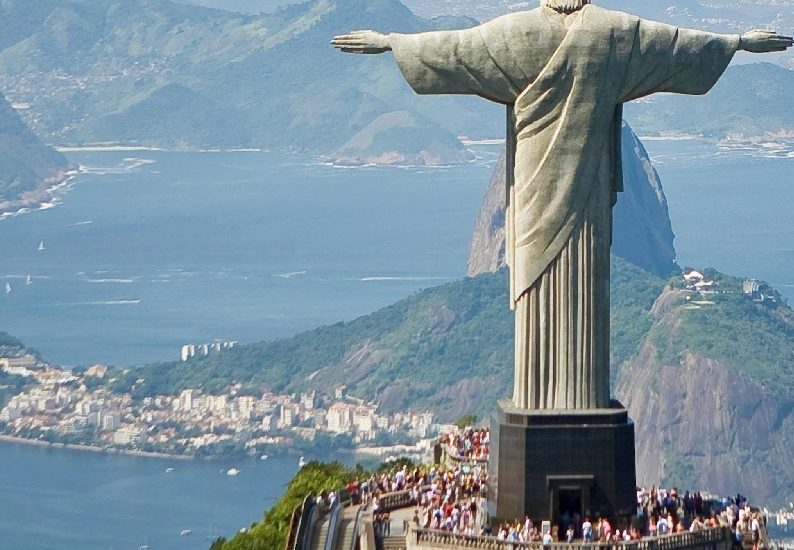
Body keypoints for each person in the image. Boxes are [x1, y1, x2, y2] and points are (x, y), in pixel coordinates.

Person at [333, 0, 793, 413]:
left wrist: (393, 43)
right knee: (581, 293)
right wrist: (736, 43)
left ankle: (538, 398)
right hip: (587, 194)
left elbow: (456, 50)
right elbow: (675, 47)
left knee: (545, 292)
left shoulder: (520, 35)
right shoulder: (612, 34)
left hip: (537, 195)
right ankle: (577, 399)